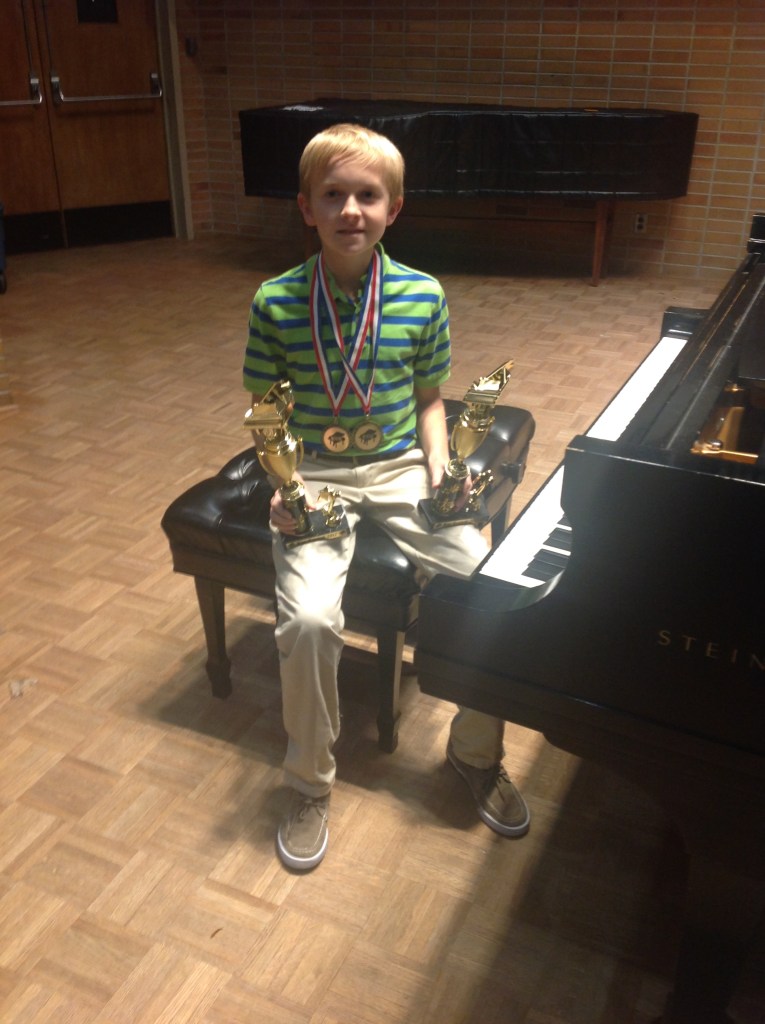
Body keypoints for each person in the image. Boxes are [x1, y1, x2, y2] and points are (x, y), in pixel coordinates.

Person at [243, 123, 530, 870]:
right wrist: (282, 486)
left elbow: (431, 400)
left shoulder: (421, 295)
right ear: (306, 206)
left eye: (367, 195)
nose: (350, 210)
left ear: (393, 208)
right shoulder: (276, 301)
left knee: (486, 585)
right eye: (332, 194)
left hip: (402, 464)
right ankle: (309, 783)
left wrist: (441, 466)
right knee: (309, 620)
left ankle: (474, 752)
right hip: (315, 472)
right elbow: (268, 415)